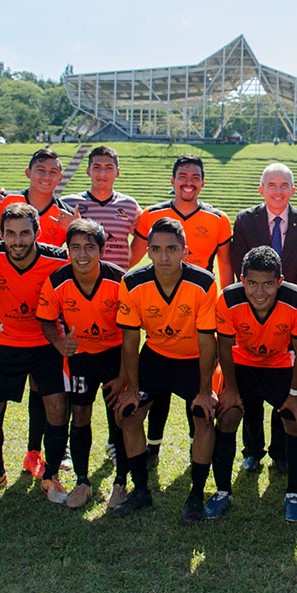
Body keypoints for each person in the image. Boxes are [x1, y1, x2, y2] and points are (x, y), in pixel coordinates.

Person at [114, 218, 220, 522]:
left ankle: (196, 495)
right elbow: (131, 339)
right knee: (129, 414)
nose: (164, 257)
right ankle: (141, 491)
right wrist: (132, 388)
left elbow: (207, 342)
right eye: (157, 249)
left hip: (193, 360)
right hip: (156, 356)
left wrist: (204, 391)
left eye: (172, 249)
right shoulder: (133, 283)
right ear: (147, 251)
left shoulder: (203, 282)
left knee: (203, 418)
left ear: (185, 251)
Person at [131, 154, 232, 469]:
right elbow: (134, 258)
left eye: (195, 177)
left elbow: (225, 269)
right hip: (161, 308)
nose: (189, 182)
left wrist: (225, 315)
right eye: (182, 176)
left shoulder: (218, 218)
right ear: (173, 180)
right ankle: (152, 446)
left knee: (197, 388)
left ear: (203, 181)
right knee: (158, 383)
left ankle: (195, 447)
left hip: (199, 309)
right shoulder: (151, 215)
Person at [228, 163, 297, 474]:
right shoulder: (244, 220)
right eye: (272, 185)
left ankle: (281, 452)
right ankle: (252, 451)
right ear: (261, 190)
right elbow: (237, 264)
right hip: (252, 312)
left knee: (284, 386)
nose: (278, 191)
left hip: (290, 314)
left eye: (284, 185)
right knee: (250, 390)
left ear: (293, 190)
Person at [211, 246, 297, 521]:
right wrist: (231, 390)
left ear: (279, 282)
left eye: (268, 284)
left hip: (281, 364)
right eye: (252, 283)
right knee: (228, 415)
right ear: (242, 279)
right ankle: (222, 491)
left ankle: (294, 494)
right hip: (241, 364)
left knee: (295, 420)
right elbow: (224, 344)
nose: (260, 292)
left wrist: (294, 394)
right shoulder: (229, 298)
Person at [0, 203, 71, 502]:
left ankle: (51, 473)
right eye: (10, 233)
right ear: (2, 233)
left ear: (37, 232)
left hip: (46, 344)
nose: (17, 241)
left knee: (57, 406)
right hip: (5, 343)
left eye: (24, 233)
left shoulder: (57, 258)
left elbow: (89, 261)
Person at [37, 218, 128, 510]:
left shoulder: (119, 280)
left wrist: (125, 373)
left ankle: (121, 482)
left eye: (89, 247)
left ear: (101, 250)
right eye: (74, 247)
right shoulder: (58, 281)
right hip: (80, 356)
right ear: (67, 250)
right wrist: (58, 342)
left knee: (120, 413)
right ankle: (82, 480)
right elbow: (47, 320)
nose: (82, 254)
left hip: (113, 354)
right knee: (79, 413)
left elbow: (131, 331)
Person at [61, 145, 141, 271]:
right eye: (97, 167)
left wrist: (124, 267)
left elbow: (143, 238)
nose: (102, 173)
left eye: (108, 168)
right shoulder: (68, 203)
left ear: (117, 172)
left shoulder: (129, 205)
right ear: (88, 171)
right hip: (79, 280)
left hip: (116, 282)